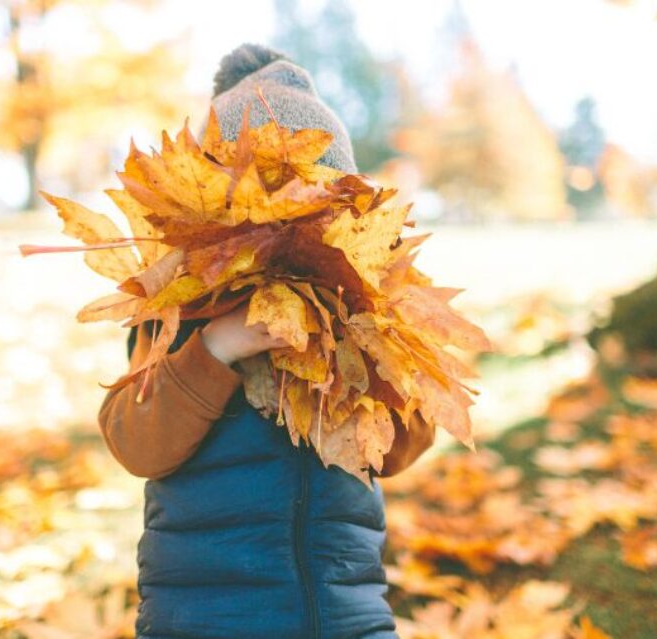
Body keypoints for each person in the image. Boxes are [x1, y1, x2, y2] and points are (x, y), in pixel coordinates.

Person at [98, 43, 436, 639]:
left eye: (313, 202)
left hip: (343, 611)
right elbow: (135, 441)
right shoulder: (179, 308)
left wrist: (375, 346)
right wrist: (216, 349)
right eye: (263, 199)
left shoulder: (355, 310)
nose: (287, 224)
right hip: (208, 615)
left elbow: (402, 449)